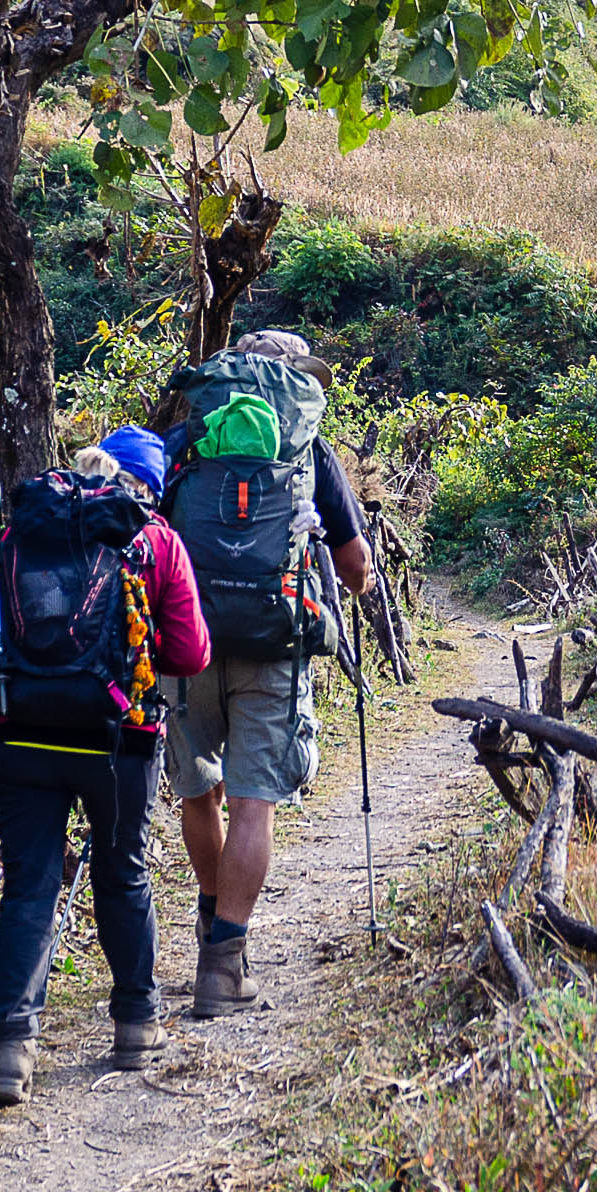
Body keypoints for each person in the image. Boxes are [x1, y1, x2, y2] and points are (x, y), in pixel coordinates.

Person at [0, 424, 209, 1107]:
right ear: (151, 487)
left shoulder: (25, 531)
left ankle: (9, 1050)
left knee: (29, 887)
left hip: (20, 735)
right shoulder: (156, 540)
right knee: (122, 872)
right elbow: (190, 654)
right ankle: (135, 1025)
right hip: (118, 739)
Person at [160, 328, 373, 1016]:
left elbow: (145, 532)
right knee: (254, 801)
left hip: (187, 639)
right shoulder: (309, 450)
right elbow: (354, 566)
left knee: (201, 792)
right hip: (274, 641)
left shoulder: (186, 439)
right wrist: (357, 585)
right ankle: (223, 966)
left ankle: (209, 917)